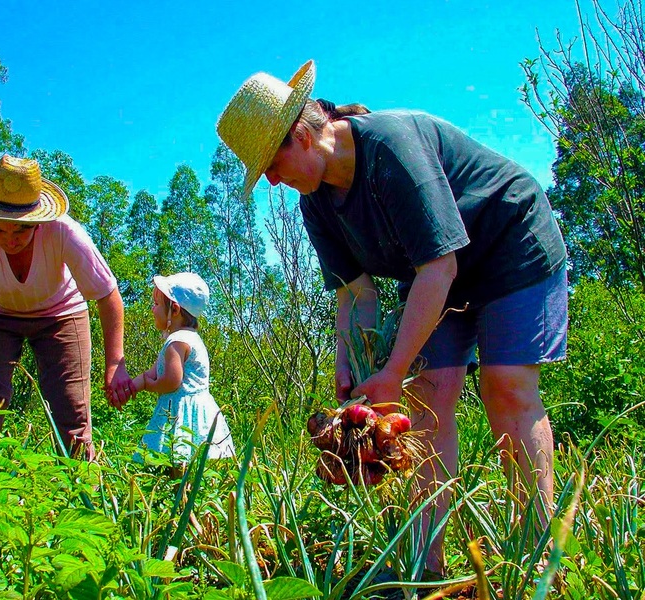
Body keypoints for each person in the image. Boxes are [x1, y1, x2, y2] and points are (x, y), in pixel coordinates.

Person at [216, 60, 568, 576]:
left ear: (301, 135)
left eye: (271, 162)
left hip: (507, 246)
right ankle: (426, 565)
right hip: (435, 273)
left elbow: (438, 265)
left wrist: (394, 368)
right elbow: (355, 295)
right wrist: (351, 366)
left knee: (506, 388)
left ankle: (537, 560)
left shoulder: (390, 147)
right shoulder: (316, 203)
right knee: (428, 399)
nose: (271, 181)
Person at [0, 154, 134, 460]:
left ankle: (82, 489)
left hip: (60, 312)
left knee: (71, 415)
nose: (10, 239)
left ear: (38, 221)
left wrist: (114, 364)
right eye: (1, 229)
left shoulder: (64, 231)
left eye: (21, 230)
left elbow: (107, 295)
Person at [114, 272, 236, 473]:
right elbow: (151, 373)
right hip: (197, 409)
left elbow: (172, 381)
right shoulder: (188, 338)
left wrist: (150, 386)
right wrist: (127, 389)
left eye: (156, 305)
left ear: (175, 310)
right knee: (191, 463)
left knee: (178, 460)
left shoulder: (177, 342)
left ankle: (178, 497)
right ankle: (186, 497)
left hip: (180, 412)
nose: (152, 310)